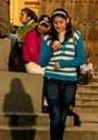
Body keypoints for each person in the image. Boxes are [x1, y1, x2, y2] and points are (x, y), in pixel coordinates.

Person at [39, 8, 86, 140]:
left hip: (70, 80)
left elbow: (81, 58)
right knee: (54, 114)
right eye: (55, 23)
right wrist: (50, 49)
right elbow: (42, 62)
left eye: (61, 22)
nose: (58, 25)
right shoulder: (47, 38)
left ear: (67, 21)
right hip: (51, 78)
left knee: (63, 115)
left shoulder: (76, 36)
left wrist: (63, 64)